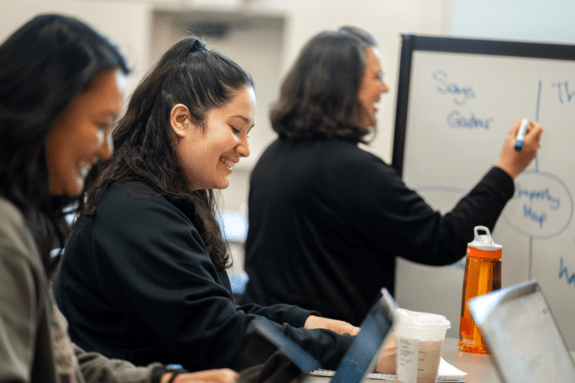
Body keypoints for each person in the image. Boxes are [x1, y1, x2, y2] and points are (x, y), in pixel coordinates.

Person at [53, 36, 369, 374]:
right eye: (236, 129)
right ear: (182, 120)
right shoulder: (134, 212)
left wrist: (306, 323)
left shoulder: (162, 202)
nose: (245, 149)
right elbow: (218, 338)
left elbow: (216, 311)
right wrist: (355, 351)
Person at [240, 26, 543, 326]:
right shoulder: (351, 170)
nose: (384, 89)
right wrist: (507, 169)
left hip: (269, 344)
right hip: (326, 356)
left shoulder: (272, 156)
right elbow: (443, 240)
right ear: (345, 85)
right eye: (377, 77)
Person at [0, 14, 239, 383]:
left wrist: (165, 381)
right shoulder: (6, 232)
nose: (105, 149)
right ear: (44, 113)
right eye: (99, 124)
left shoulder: (21, 222)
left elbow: (61, 356)